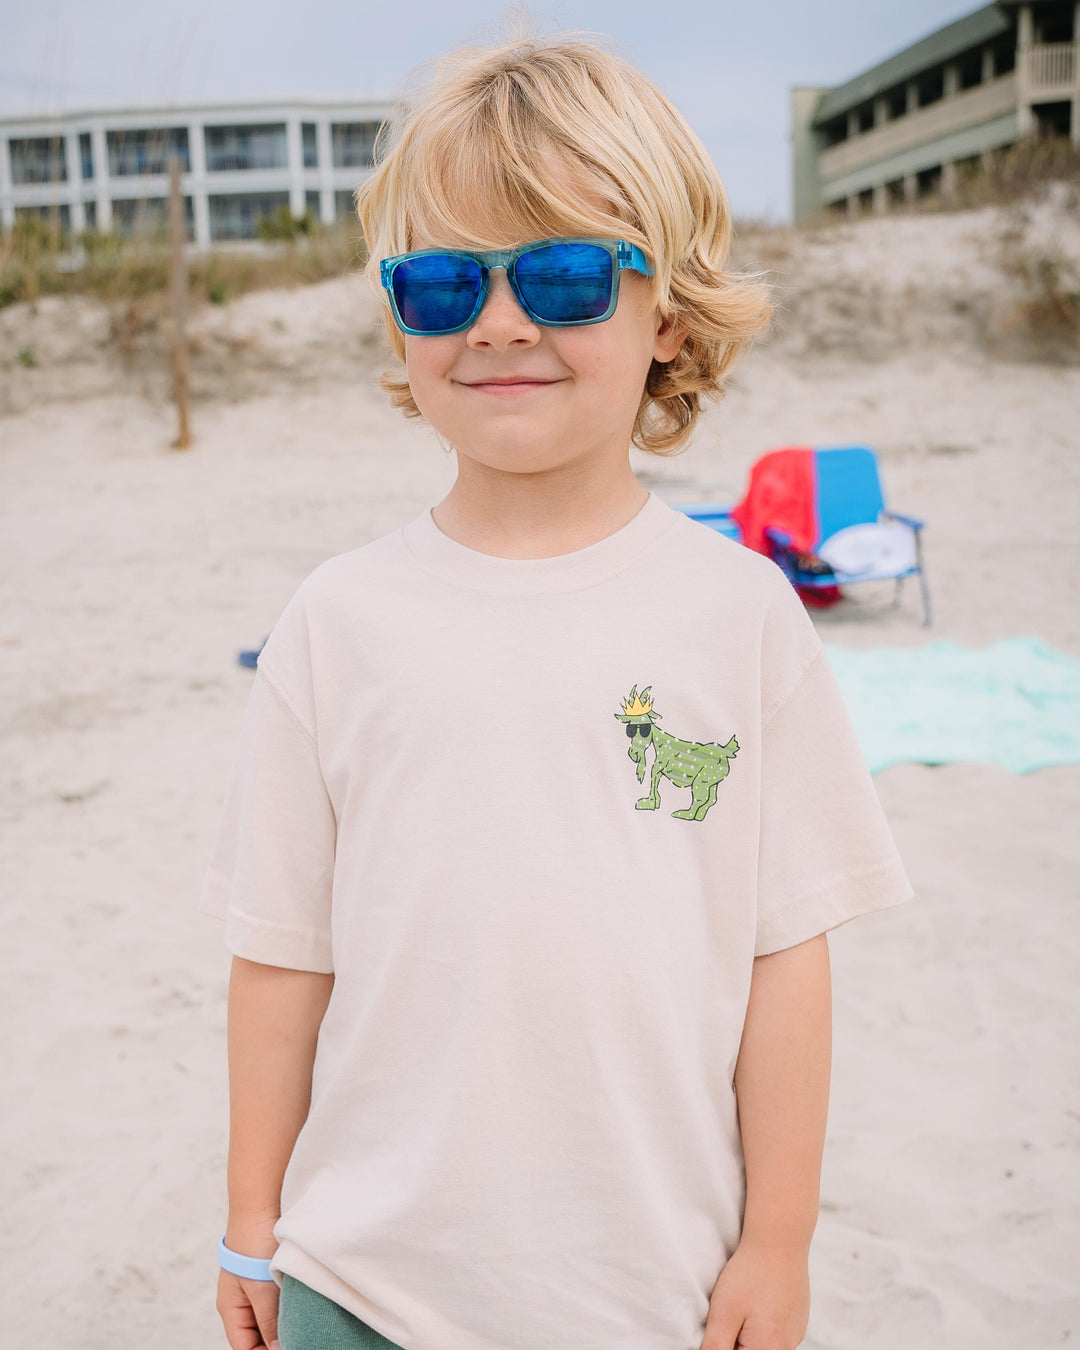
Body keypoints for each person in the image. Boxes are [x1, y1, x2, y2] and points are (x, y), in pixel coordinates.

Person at [198, 21, 916, 1350]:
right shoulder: (336, 621)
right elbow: (279, 959)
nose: (502, 321)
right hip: (362, 1278)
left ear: (670, 317)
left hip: (650, 1290)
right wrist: (253, 1215)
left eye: (570, 275)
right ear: (399, 317)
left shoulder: (740, 618)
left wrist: (779, 1239)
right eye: (443, 286)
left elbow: (785, 962)